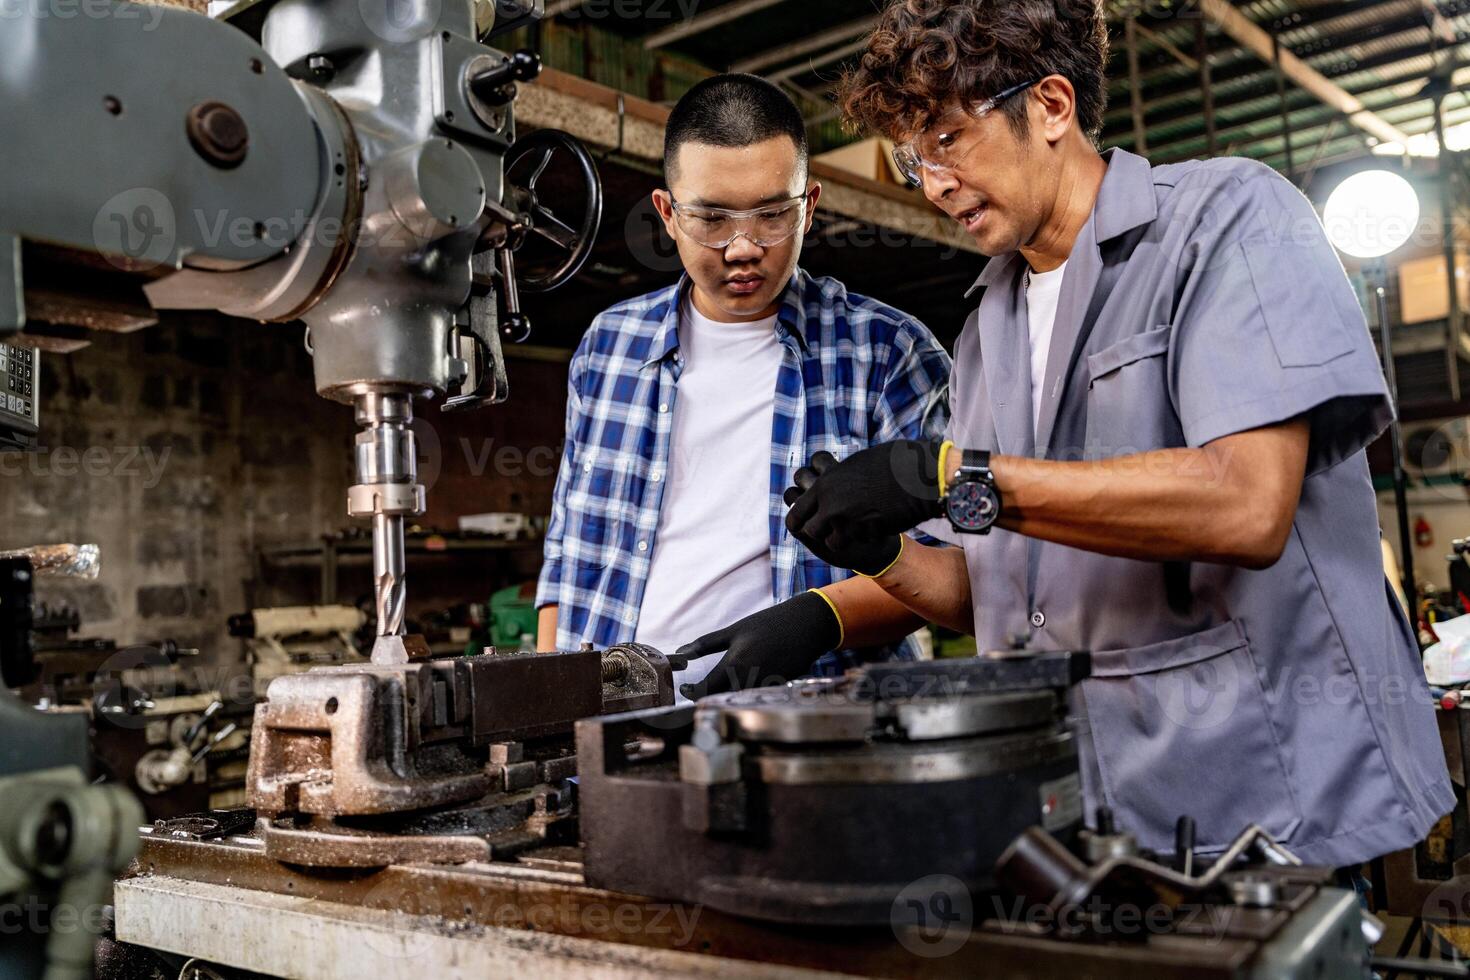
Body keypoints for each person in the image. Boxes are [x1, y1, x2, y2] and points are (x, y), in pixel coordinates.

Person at [677, 0, 1453, 870]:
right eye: (911, 156)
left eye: (946, 141)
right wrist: (876, 554)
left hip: (1258, 798)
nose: (931, 183)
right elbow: (990, 595)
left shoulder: (1225, 218)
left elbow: (1246, 505)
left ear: (1050, 106)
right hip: (1087, 812)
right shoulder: (988, 324)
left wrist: (946, 473)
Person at [535, 73, 952, 698]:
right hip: (616, 736)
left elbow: (947, 575)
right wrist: (550, 713)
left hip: (813, 736)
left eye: (771, 215)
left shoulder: (889, 352)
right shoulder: (609, 344)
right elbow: (571, 548)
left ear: (809, 207)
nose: (741, 247)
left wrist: (821, 621)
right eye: (710, 218)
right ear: (668, 213)